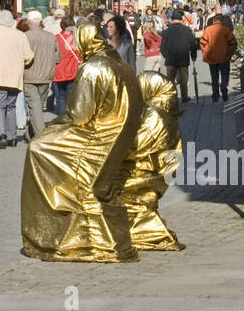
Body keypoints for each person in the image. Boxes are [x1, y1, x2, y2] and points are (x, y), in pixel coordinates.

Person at [21, 21, 184, 261]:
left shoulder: (92, 67)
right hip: (121, 134)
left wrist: (52, 126)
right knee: (45, 146)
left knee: (39, 148)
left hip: (100, 137)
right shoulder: (118, 60)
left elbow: (79, 114)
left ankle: (59, 229)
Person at [0, 10, 34, 149]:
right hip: (14, 76)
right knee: (11, 105)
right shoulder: (20, 35)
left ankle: (1, 134)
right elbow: (28, 56)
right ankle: (12, 136)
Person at [22, 11, 61, 140]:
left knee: (35, 106)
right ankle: (30, 133)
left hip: (29, 75)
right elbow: (58, 57)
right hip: (46, 75)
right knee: (38, 105)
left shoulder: (25, 36)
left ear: (29, 22)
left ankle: (40, 137)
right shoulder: (51, 36)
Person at [159, 12, 199, 102]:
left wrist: (167, 56)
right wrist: (193, 56)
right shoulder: (187, 30)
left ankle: (171, 97)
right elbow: (193, 44)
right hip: (183, 57)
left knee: (170, 80)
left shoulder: (166, 31)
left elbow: (162, 47)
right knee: (183, 80)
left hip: (170, 59)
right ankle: (184, 96)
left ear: (171, 20)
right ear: (181, 20)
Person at [200, 14, 237, 102]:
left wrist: (206, 52)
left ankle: (215, 95)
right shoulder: (226, 30)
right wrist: (229, 54)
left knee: (214, 77)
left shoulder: (208, 30)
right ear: (221, 21)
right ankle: (224, 87)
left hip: (211, 57)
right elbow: (233, 43)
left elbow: (202, 43)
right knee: (224, 75)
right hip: (224, 57)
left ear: (213, 21)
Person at [51, 19, 81, 116]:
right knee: (71, 93)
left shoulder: (57, 37)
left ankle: (61, 115)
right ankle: (70, 113)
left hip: (60, 69)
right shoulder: (77, 37)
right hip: (74, 68)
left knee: (60, 94)